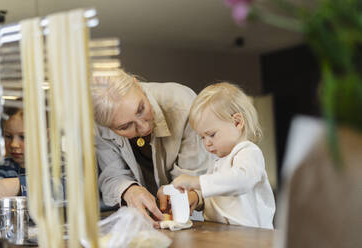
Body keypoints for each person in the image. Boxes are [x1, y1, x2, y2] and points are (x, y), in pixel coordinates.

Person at [91, 69, 213, 226]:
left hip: (197, 219)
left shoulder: (182, 103)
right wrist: (129, 190)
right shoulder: (98, 125)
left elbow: (197, 176)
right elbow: (113, 174)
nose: (143, 128)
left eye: (141, 109)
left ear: (137, 84)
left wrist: (183, 195)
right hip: (145, 223)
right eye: (125, 126)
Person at [172, 82, 275, 229]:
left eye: (211, 134)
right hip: (221, 232)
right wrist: (198, 197)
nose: (206, 143)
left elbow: (241, 180)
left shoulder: (249, 152)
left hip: (253, 236)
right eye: (202, 137)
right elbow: (217, 193)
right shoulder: (217, 162)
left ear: (237, 122)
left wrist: (197, 182)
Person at [0, 107, 26, 201]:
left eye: (23, 137)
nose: (14, 144)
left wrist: (19, 184)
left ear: (47, 136)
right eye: (8, 136)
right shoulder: (1, 166)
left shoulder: (59, 162)